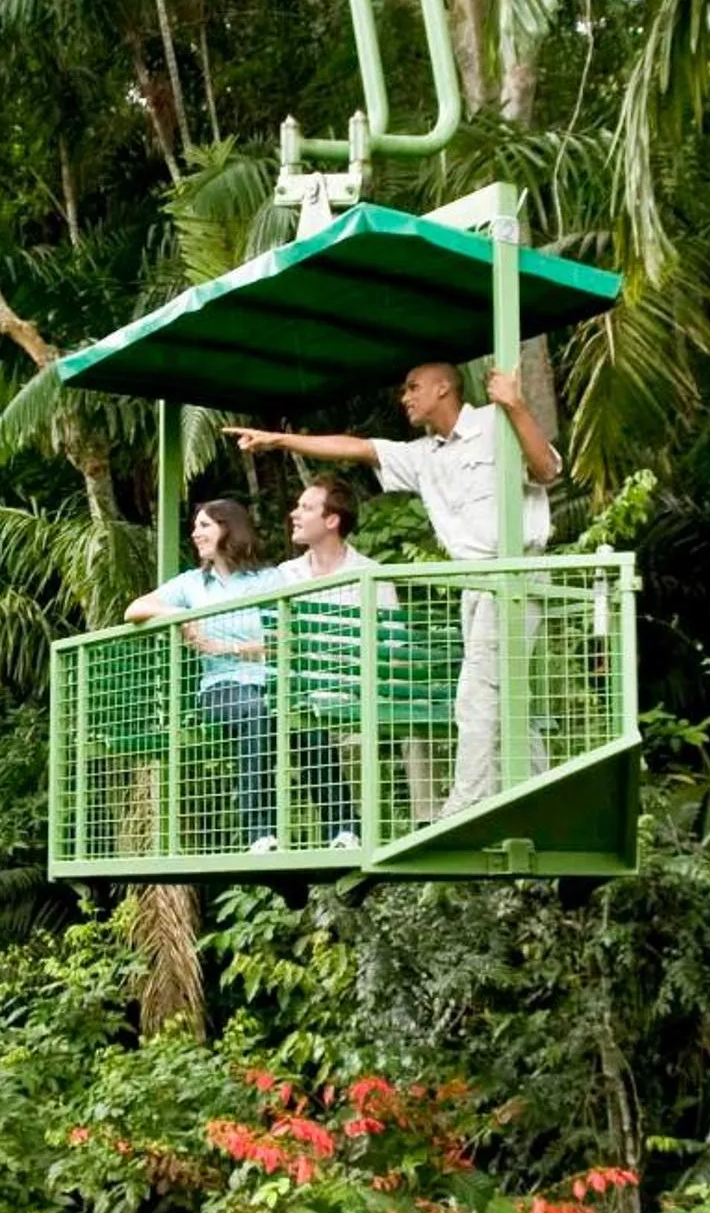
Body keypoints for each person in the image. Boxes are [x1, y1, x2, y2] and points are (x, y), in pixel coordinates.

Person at [228, 363, 559, 814]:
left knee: (479, 690)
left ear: (444, 387)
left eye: (413, 387)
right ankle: (542, 794)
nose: (405, 397)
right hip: (473, 582)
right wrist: (280, 440)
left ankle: (467, 802)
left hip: (514, 573)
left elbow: (545, 469)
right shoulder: (423, 454)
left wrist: (516, 405)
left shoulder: (493, 421)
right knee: (504, 689)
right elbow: (355, 448)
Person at [124, 497, 278, 849]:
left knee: (301, 722)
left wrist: (231, 648)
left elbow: (286, 636)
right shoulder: (192, 584)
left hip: (271, 682)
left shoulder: (269, 579)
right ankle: (260, 832)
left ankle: (343, 828)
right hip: (221, 686)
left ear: (229, 528)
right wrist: (179, 617)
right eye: (195, 526)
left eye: (205, 525)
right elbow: (134, 609)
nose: (195, 533)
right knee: (254, 710)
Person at [257, 476, 391, 846]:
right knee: (289, 725)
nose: (294, 514)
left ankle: (375, 831)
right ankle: (341, 832)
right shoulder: (285, 575)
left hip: (355, 693)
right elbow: (273, 640)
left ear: (332, 520)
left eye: (306, 508)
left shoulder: (372, 574)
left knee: (370, 732)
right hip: (304, 697)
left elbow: (391, 646)